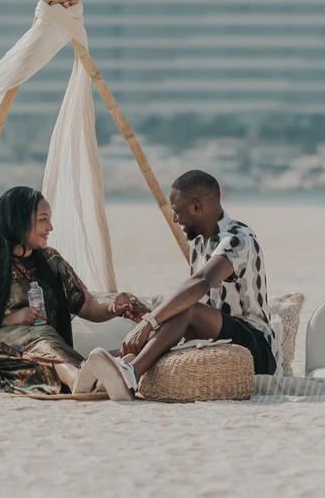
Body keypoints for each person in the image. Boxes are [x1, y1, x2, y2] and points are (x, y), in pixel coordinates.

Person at [79, 169, 276, 401]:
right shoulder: (199, 244)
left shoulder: (237, 239)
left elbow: (200, 284)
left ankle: (131, 375)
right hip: (215, 334)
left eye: (177, 211)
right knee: (117, 353)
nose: (175, 219)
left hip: (255, 346)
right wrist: (151, 316)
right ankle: (95, 370)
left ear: (196, 207)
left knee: (186, 308)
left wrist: (149, 323)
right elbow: (199, 306)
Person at [0, 185, 146, 396]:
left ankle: (89, 375)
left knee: (45, 350)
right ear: (19, 220)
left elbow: (87, 304)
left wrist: (113, 307)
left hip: (42, 351)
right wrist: (9, 320)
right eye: (43, 220)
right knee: (42, 334)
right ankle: (78, 380)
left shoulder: (51, 260)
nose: (50, 228)